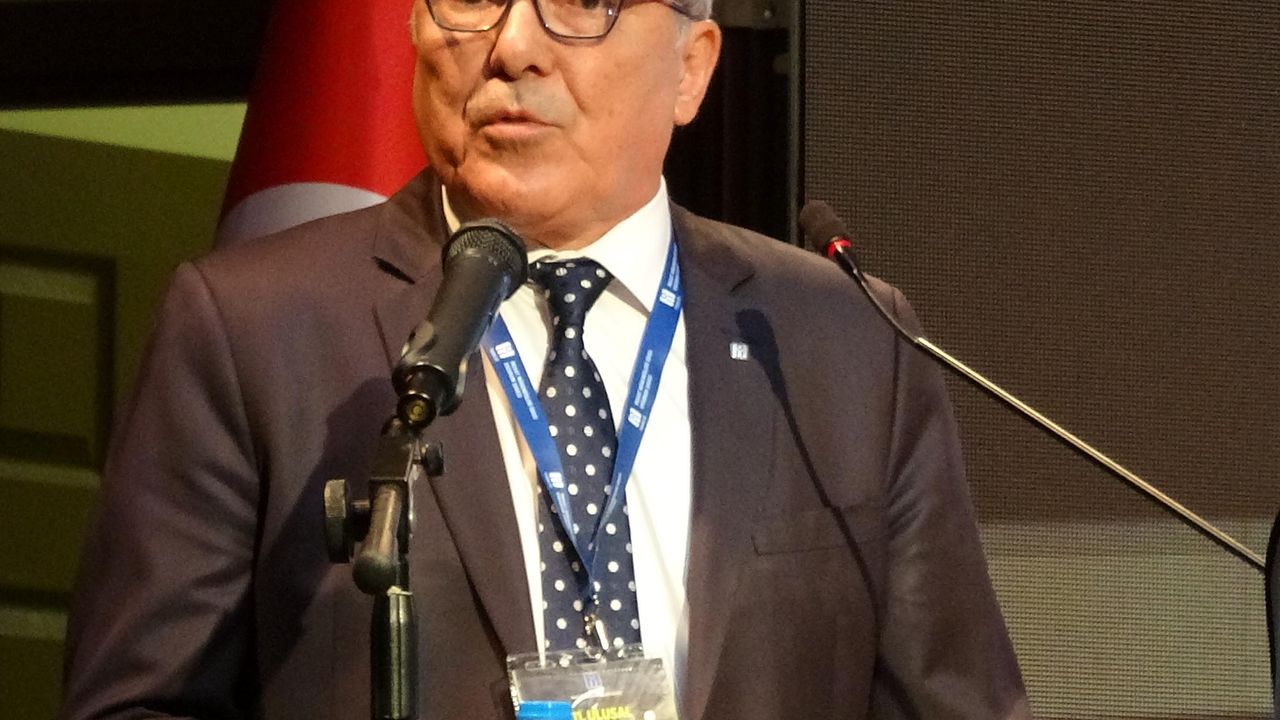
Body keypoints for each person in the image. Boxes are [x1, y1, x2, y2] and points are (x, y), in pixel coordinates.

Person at [60, 0, 1032, 718]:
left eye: (580, 3)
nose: (512, 46)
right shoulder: (252, 329)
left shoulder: (845, 343)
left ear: (691, 68)